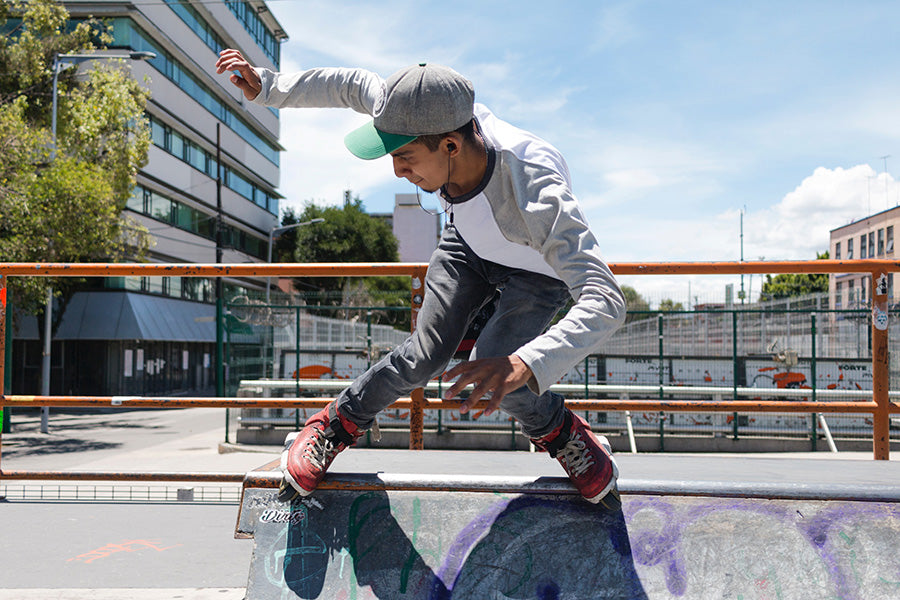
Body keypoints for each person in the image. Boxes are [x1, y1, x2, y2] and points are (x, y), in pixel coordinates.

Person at [215, 49, 627, 507]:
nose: (397, 170)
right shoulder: (415, 108)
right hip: (467, 247)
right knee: (424, 356)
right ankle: (331, 426)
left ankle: (565, 435)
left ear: (451, 144)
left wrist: (528, 362)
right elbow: (352, 84)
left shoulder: (536, 187)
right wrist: (269, 89)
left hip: (536, 270)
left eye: (407, 157)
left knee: (500, 368)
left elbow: (604, 299)